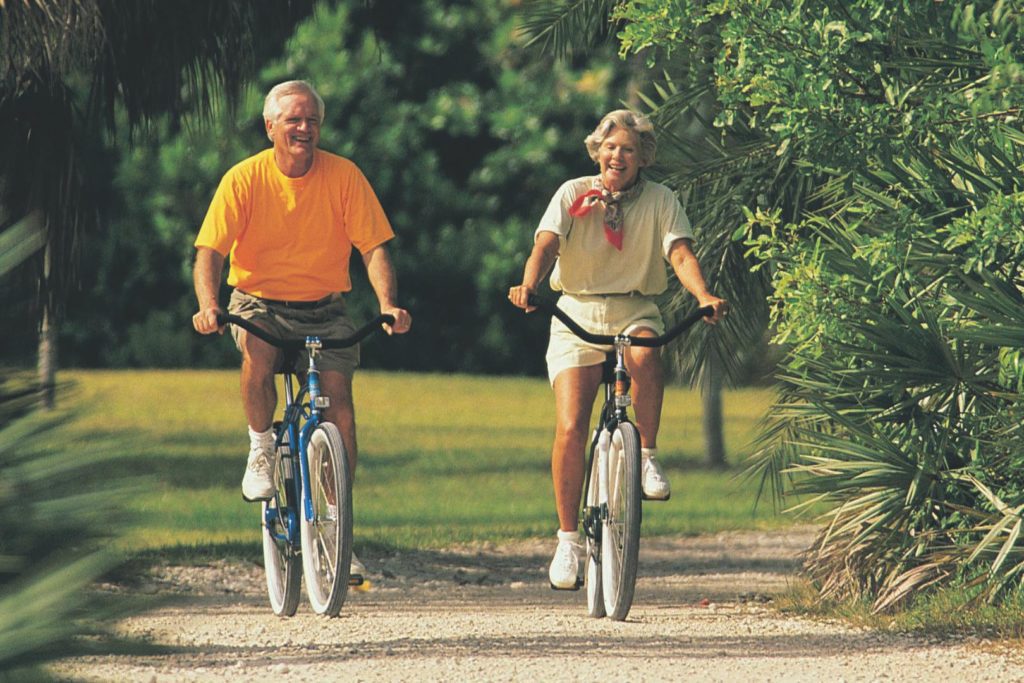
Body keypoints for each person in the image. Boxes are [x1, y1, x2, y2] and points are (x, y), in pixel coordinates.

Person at [192, 80, 411, 579]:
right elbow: (210, 253)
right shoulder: (244, 179)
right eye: (293, 119)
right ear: (270, 127)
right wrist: (209, 306)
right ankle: (260, 449)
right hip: (258, 304)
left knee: (339, 404)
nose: (304, 128)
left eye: (311, 119)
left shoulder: (343, 176)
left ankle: (337, 527)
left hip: (324, 307)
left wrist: (388, 304)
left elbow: (374, 248)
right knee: (258, 355)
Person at [508, 109, 727, 589]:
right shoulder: (571, 193)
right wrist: (529, 285)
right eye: (610, 147)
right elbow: (544, 245)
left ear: (642, 157)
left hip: (635, 309)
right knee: (570, 424)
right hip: (577, 313)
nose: (617, 156)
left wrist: (702, 295)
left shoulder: (661, 200)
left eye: (628, 149)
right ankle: (567, 542)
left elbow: (680, 253)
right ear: (596, 151)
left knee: (648, 354)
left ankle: (646, 453)